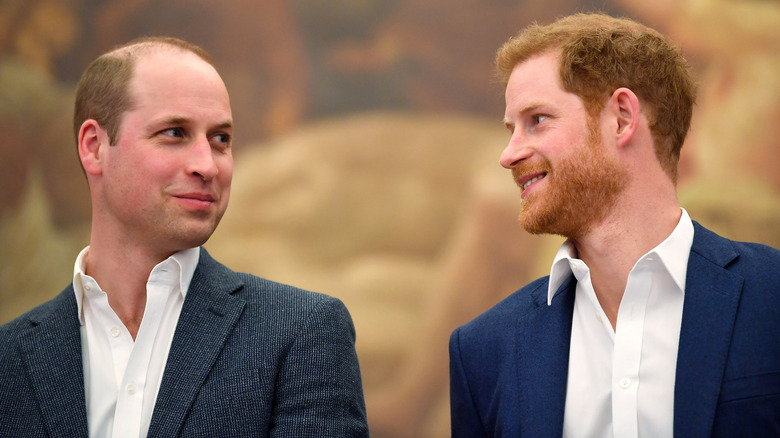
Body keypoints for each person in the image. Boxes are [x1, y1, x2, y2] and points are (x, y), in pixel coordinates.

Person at [0, 36, 368, 437]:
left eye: (220, 139)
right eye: (175, 133)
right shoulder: (10, 357)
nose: (207, 165)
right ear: (94, 147)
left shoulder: (301, 333)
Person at [449, 12, 780, 438]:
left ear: (622, 117)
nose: (508, 154)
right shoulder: (484, 349)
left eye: (537, 120)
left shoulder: (772, 295)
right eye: (512, 129)